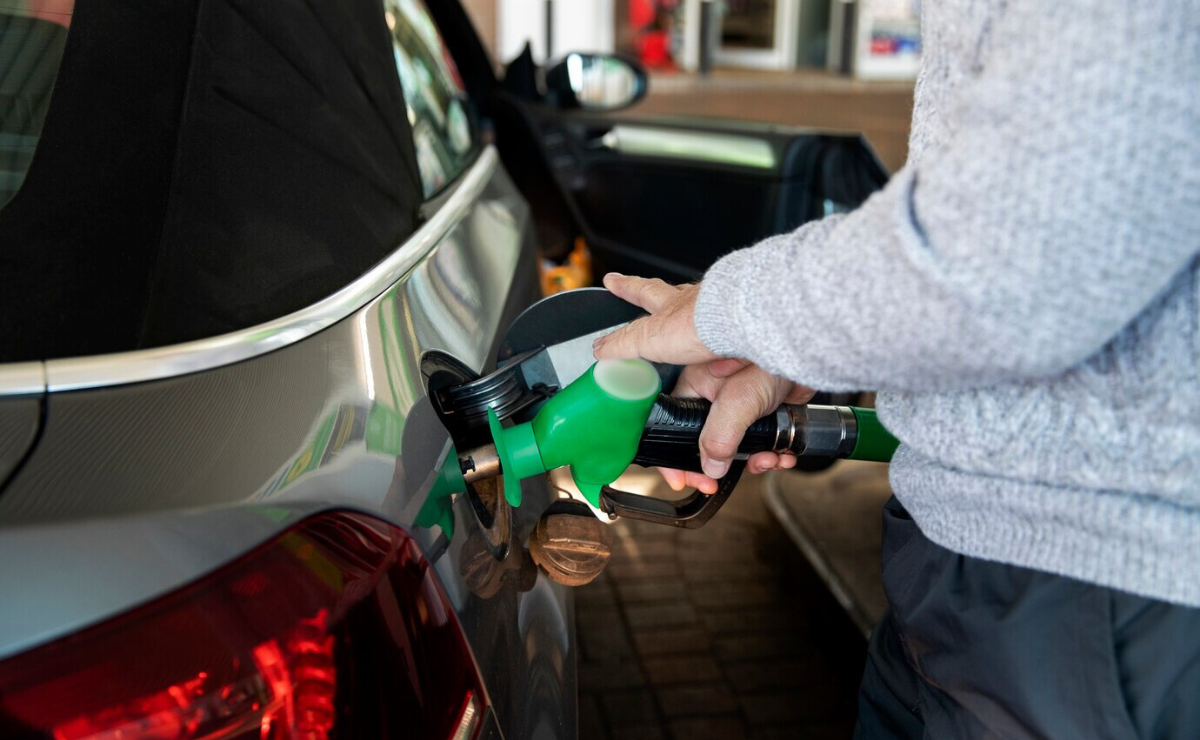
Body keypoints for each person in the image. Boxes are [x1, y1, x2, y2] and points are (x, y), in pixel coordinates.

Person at [592, 1, 1200, 736]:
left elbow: (1012, 255)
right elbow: (988, 201)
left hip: (1096, 588)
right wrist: (795, 345)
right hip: (965, 569)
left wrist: (730, 310)